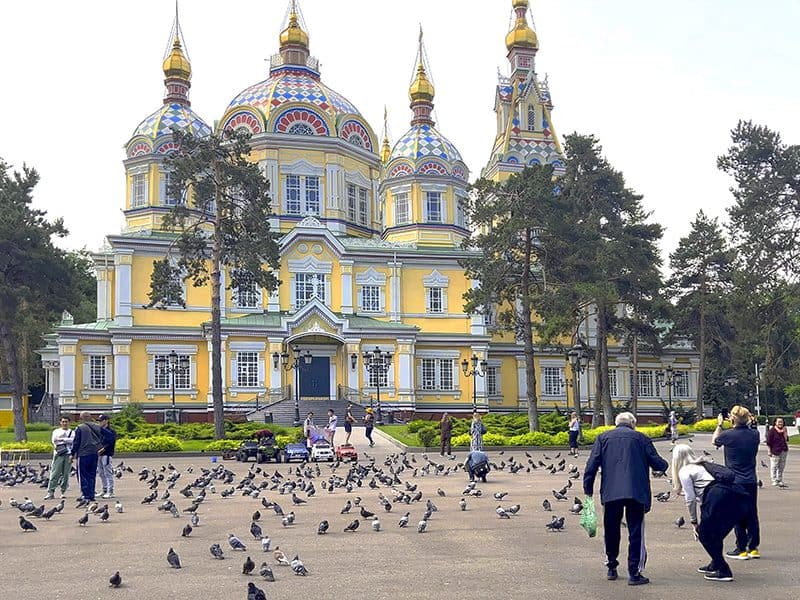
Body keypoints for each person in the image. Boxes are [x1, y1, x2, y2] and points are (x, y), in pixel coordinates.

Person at [583, 412, 669, 586]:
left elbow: (591, 465)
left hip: (611, 492)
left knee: (611, 530)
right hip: (636, 493)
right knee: (636, 532)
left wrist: (588, 489)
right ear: (633, 423)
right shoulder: (641, 438)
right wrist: (664, 465)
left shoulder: (603, 438)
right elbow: (659, 464)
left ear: (616, 423)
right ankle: (634, 573)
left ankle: (611, 567)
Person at [672, 444, 750, 582]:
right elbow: (704, 489)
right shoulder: (704, 465)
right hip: (736, 494)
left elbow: (690, 500)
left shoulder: (684, 471)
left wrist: (694, 522)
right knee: (716, 534)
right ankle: (715, 563)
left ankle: (723, 569)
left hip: (716, 498)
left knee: (704, 535)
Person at [712, 405, 761, 560]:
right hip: (751, 479)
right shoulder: (755, 434)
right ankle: (753, 547)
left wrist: (720, 424)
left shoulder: (728, 435)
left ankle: (741, 549)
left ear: (732, 418)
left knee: (737, 513)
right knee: (752, 513)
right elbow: (750, 427)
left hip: (735, 479)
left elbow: (715, 441)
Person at [70, 412, 105, 502]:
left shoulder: (80, 428)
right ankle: (91, 494)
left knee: (82, 475)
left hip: (83, 454)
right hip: (94, 454)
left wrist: (72, 453)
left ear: (81, 418)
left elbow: (76, 442)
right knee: (92, 474)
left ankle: (85, 495)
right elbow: (105, 437)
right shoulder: (97, 427)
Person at [45, 415, 75, 499]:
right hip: (58, 454)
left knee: (66, 474)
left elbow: (73, 441)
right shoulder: (56, 431)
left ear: (69, 423)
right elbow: (54, 440)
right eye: (63, 421)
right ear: (60, 422)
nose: (64, 423)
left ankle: (63, 491)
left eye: (66, 422)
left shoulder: (72, 432)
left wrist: (62, 439)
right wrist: (66, 440)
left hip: (68, 454)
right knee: (55, 473)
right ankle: (51, 491)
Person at [97, 414, 117, 499]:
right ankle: (104, 489)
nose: (100, 423)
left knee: (108, 473)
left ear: (106, 421)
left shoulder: (111, 431)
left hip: (107, 454)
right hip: (99, 454)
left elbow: (111, 442)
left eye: (101, 421)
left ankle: (110, 491)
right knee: (101, 473)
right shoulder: (99, 431)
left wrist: (103, 449)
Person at [765, 417, 789, 488]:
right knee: (774, 466)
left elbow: (786, 440)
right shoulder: (772, 431)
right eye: (779, 422)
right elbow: (768, 442)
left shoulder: (784, 430)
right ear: (775, 422)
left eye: (781, 422)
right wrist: (769, 451)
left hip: (783, 450)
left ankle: (779, 479)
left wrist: (785, 432)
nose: (780, 423)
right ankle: (774, 480)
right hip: (775, 451)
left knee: (781, 466)